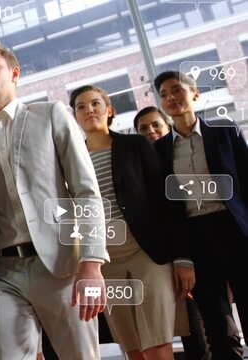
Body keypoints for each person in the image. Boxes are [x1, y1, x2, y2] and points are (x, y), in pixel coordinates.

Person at [0, 41, 108, 359]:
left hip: (60, 266)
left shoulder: (50, 114)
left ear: (14, 72)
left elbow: (85, 192)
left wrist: (92, 264)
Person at [70, 85, 182, 359]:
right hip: (104, 261)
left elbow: (165, 201)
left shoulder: (135, 145)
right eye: (81, 107)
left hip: (147, 253)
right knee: (132, 347)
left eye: (95, 103)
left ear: (109, 110)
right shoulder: (72, 160)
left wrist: (182, 258)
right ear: (74, 117)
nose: (89, 110)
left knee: (157, 344)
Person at [153, 70, 248, 360]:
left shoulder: (224, 131)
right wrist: (181, 256)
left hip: (233, 228)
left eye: (177, 90)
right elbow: (166, 211)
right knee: (216, 322)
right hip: (195, 237)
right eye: (164, 95)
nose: (171, 98)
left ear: (194, 94)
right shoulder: (158, 150)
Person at [134, 106, 212, 359]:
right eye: (143, 129)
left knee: (195, 324)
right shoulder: (138, 166)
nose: (151, 131)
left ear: (167, 126)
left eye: (156, 124)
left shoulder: (174, 160)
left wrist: (183, 256)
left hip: (187, 250)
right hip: (154, 256)